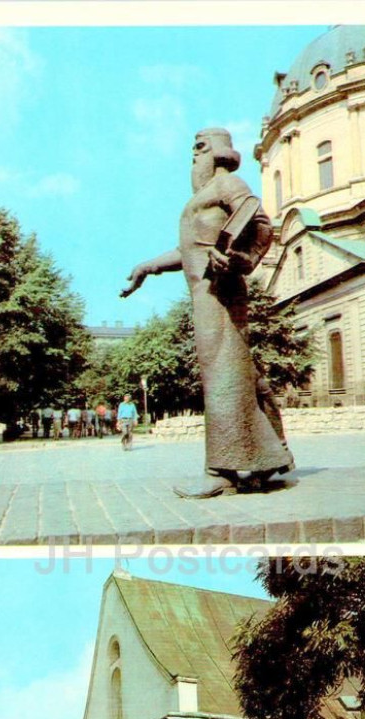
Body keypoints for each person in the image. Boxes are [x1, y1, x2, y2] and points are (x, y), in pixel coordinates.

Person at [121, 128, 294, 497]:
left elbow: (259, 222)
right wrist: (147, 267)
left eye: (199, 149)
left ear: (218, 153)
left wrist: (241, 259)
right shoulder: (202, 198)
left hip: (222, 291)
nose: (193, 157)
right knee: (240, 373)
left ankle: (223, 472)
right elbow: (191, 251)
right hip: (206, 296)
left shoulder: (227, 184)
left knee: (222, 376)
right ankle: (272, 457)